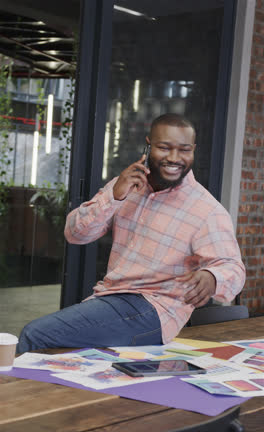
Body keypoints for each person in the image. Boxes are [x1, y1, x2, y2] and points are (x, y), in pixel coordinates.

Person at [17, 113, 246, 353]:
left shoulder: (206, 209)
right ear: (148, 146)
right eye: (164, 147)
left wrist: (212, 277)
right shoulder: (125, 185)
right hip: (111, 298)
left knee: (36, 335)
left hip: (155, 310)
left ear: (193, 150)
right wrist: (114, 196)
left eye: (184, 150)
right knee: (59, 353)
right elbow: (76, 234)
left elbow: (233, 268)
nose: (174, 158)